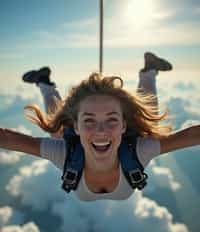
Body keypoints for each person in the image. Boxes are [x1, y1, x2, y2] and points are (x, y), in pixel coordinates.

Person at [0, 52, 199, 201]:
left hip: (103, 137)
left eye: (112, 119)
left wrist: (88, 121)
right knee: (59, 129)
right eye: (89, 121)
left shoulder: (63, 154)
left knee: (58, 134)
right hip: (84, 134)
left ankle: (44, 83)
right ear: (76, 127)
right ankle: (149, 71)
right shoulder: (140, 151)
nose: (101, 130)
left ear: (123, 125)